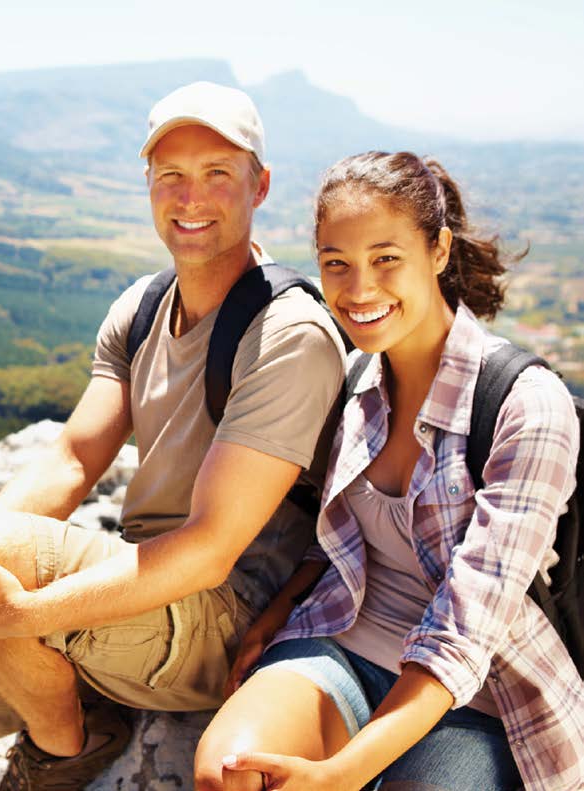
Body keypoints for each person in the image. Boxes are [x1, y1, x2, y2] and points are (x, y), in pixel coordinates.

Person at [0, 82, 348, 791]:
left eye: (217, 174)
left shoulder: (287, 333)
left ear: (260, 185)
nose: (191, 197)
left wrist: (17, 609)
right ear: (147, 183)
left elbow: (211, 551)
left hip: (225, 617)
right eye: (171, 176)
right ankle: (53, 692)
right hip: (133, 593)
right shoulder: (142, 307)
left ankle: (68, 746)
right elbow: (71, 457)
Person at [193, 152, 584, 791]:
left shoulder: (523, 405)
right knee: (230, 775)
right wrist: (282, 610)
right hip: (348, 637)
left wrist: (343, 774)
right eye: (336, 264)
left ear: (438, 250)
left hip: (483, 694)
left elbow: (464, 635)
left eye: (386, 259)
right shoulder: (353, 383)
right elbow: (351, 532)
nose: (358, 290)